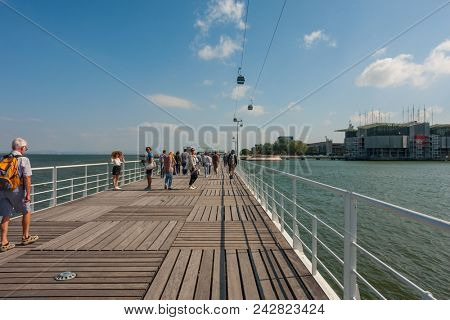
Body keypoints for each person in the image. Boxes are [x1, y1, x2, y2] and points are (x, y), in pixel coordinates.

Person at [1, 138, 39, 252]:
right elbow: (27, 177)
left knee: (5, 215)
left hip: (2, 190)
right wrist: (28, 194)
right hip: (16, 189)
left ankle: (3, 242)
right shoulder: (24, 159)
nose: (25, 150)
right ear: (22, 148)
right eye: (25, 148)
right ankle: (25, 236)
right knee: (26, 211)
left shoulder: (4, 158)